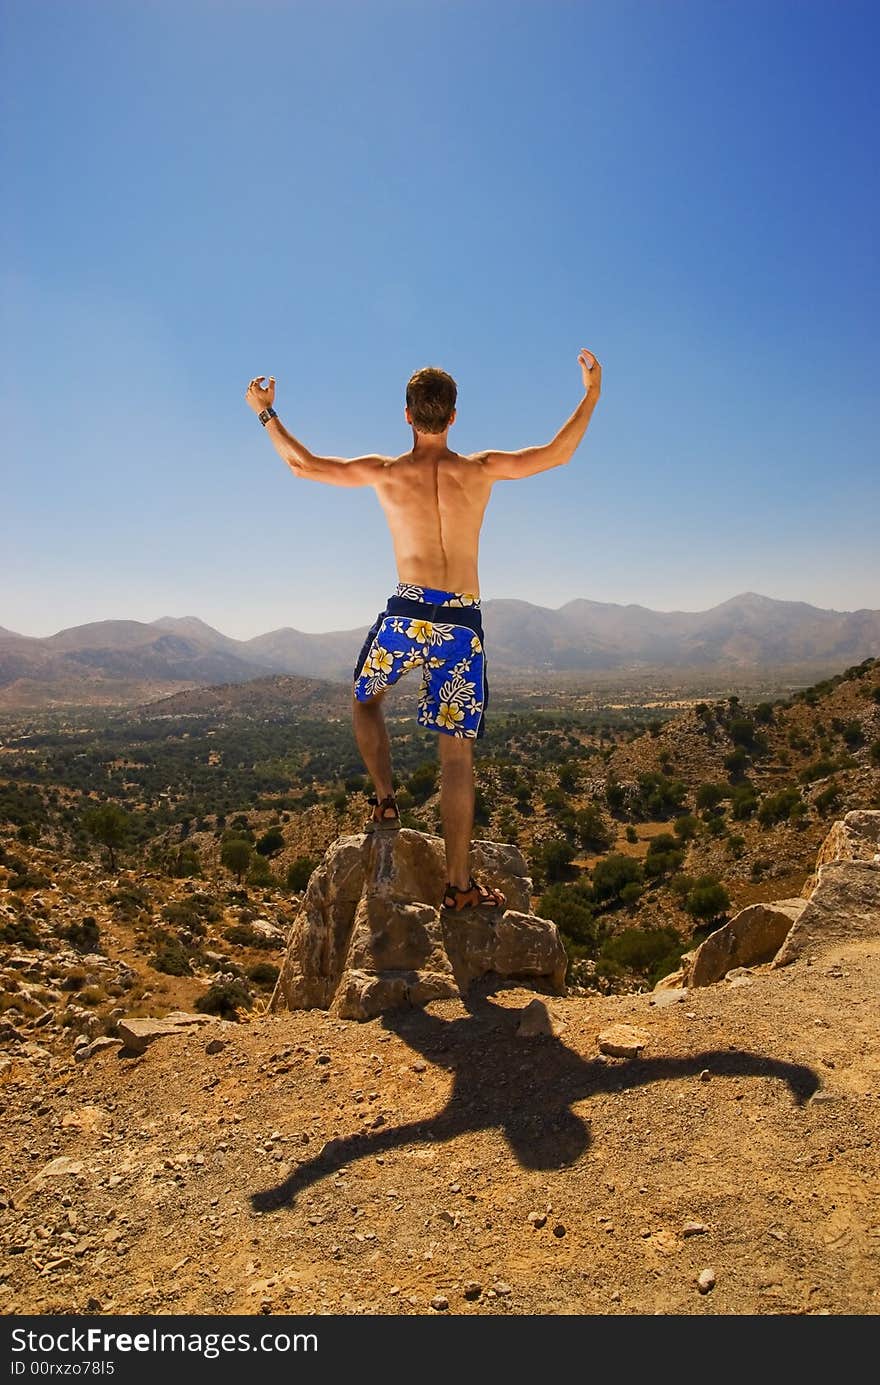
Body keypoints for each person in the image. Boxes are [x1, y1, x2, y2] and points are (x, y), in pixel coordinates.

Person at [245, 347, 602, 910]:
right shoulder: (479, 470)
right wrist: (590, 394)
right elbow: (558, 454)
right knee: (456, 759)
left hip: (408, 612)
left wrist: (265, 412)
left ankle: (386, 800)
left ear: (407, 415)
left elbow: (303, 465)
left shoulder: (386, 473)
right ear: (453, 417)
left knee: (365, 700)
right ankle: (458, 886)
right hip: (460, 619)